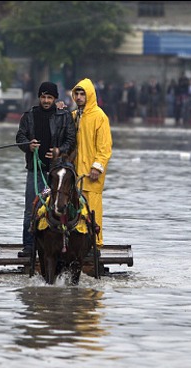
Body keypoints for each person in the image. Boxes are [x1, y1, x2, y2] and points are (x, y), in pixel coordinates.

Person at [16, 81, 77, 257]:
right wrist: (29, 145)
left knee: (60, 206)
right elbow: (20, 136)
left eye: (50, 97)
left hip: (58, 171)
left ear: (55, 98)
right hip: (35, 169)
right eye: (43, 97)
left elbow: (71, 140)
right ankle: (29, 246)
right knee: (31, 208)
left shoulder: (64, 116)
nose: (46, 100)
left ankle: (63, 242)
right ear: (39, 98)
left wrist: (59, 151)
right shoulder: (29, 116)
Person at [70, 78, 113, 249]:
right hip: (75, 174)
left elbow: (105, 147)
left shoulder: (100, 117)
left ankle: (95, 245)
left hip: (91, 175)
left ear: (90, 95)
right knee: (76, 213)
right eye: (77, 94)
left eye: (82, 94)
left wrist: (97, 167)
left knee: (92, 212)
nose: (79, 97)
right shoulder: (74, 116)